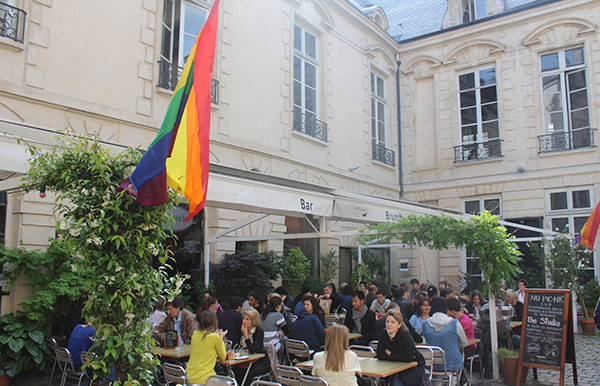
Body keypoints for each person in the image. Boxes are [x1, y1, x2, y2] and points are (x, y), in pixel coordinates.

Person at [377, 309, 426, 386]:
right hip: (391, 366)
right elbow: (379, 355)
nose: (389, 324)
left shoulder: (404, 334)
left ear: (399, 325)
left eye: (393, 322)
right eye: (387, 322)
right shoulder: (384, 333)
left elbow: (408, 358)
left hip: (412, 367)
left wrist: (390, 354)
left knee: (396, 381)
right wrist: (397, 356)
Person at [421, 297, 467, 373]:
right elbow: (464, 343)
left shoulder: (425, 324)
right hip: (452, 364)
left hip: (431, 365)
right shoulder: (454, 323)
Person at [187, 310, 228, 385]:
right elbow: (223, 357)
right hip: (206, 378)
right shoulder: (215, 337)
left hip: (190, 377)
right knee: (230, 382)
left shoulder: (195, 333)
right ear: (215, 321)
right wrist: (221, 338)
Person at [232, 309, 270, 386]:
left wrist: (246, 336)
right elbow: (235, 346)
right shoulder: (239, 329)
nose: (244, 321)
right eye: (243, 318)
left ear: (253, 321)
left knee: (248, 374)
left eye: (247, 319)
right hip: (243, 361)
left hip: (259, 361)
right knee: (235, 371)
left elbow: (253, 350)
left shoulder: (259, 331)